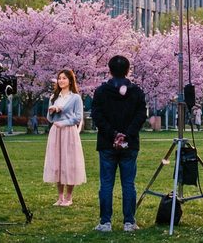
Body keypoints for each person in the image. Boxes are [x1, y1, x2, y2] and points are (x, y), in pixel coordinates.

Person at [91, 55, 147, 233]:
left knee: (106, 184)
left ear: (109, 69)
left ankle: (105, 222)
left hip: (107, 143)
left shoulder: (101, 92)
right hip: (130, 144)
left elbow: (97, 116)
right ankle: (129, 222)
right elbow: (140, 116)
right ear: (128, 70)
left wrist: (113, 134)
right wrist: (126, 135)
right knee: (128, 183)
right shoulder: (137, 92)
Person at [44, 69, 86, 207]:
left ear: (70, 80)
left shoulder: (75, 98)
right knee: (58, 163)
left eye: (64, 78)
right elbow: (49, 118)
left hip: (69, 132)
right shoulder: (53, 97)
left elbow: (78, 117)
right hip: (56, 131)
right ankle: (60, 197)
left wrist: (64, 120)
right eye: (59, 78)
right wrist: (52, 111)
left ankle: (69, 197)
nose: (61, 80)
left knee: (69, 163)